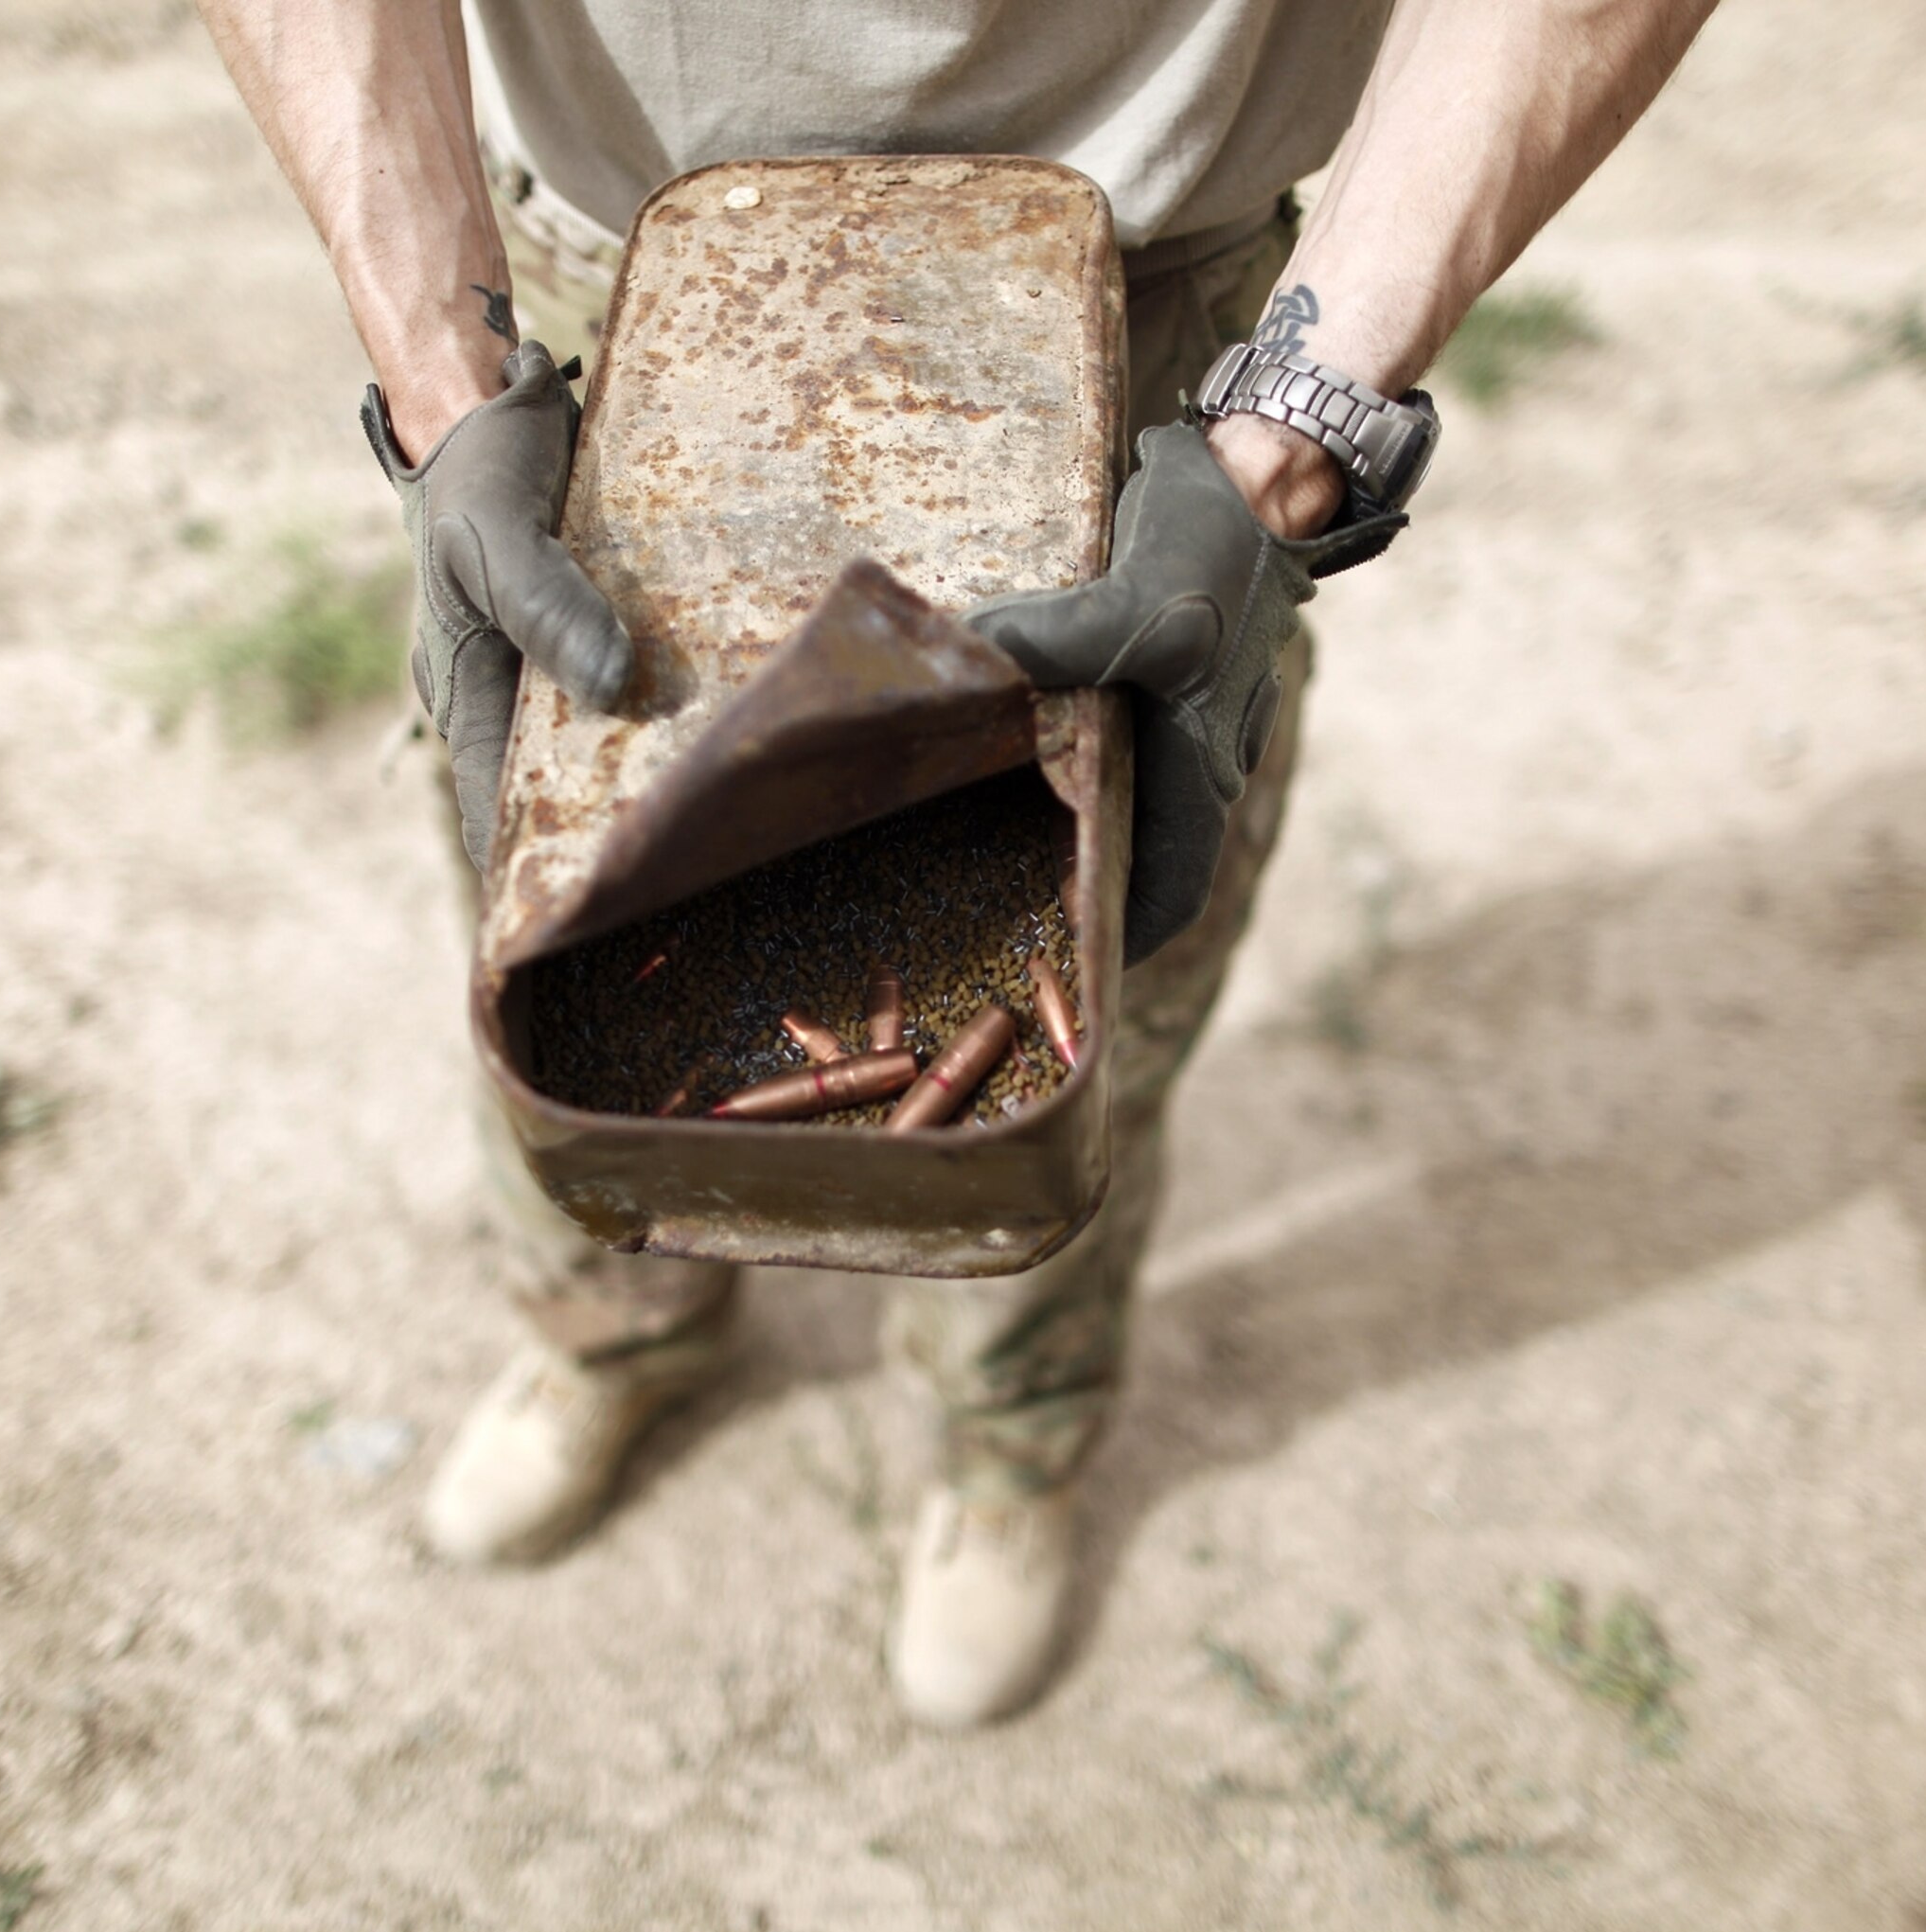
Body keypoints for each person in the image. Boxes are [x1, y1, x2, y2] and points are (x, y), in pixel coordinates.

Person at [195, 0, 1717, 1728]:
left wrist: (1297, 430)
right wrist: (444, 383)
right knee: (572, 911)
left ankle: (1009, 1433)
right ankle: (608, 1329)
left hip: (1164, 326)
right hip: (602, 269)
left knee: (1074, 980)